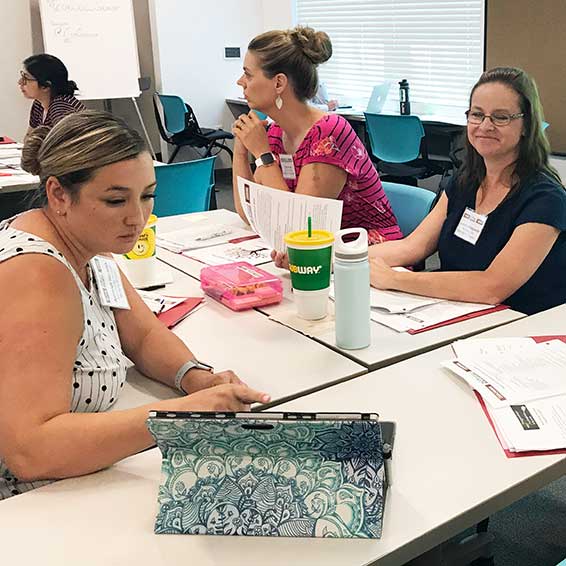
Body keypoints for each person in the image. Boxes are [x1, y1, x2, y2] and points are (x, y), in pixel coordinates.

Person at [0, 111, 270, 501]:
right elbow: (30, 450)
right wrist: (183, 414)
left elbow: (141, 335)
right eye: (115, 200)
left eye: (147, 196)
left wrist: (197, 379)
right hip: (31, 504)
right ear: (59, 194)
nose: (138, 218)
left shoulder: (89, 246)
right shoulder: (38, 274)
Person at [367, 67, 566, 315]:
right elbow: (412, 248)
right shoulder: (465, 182)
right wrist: (339, 257)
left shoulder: (546, 198)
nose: (485, 125)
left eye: (501, 117)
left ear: (526, 125)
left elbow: (492, 287)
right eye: (477, 114)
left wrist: (394, 280)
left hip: (516, 325)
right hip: (456, 312)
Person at [232, 26, 403, 246]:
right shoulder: (275, 133)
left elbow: (300, 229)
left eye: (248, 74)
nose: (240, 82)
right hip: (316, 254)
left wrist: (263, 155)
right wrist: (240, 149)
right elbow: (251, 215)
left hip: (365, 257)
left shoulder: (329, 133)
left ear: (279, 83)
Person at [19, 54, 85, 131]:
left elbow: (63, 142)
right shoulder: (39, 103)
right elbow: (29, 137)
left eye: (26, 78)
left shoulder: (62, 108)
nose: (20, 82)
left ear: (45, 86)